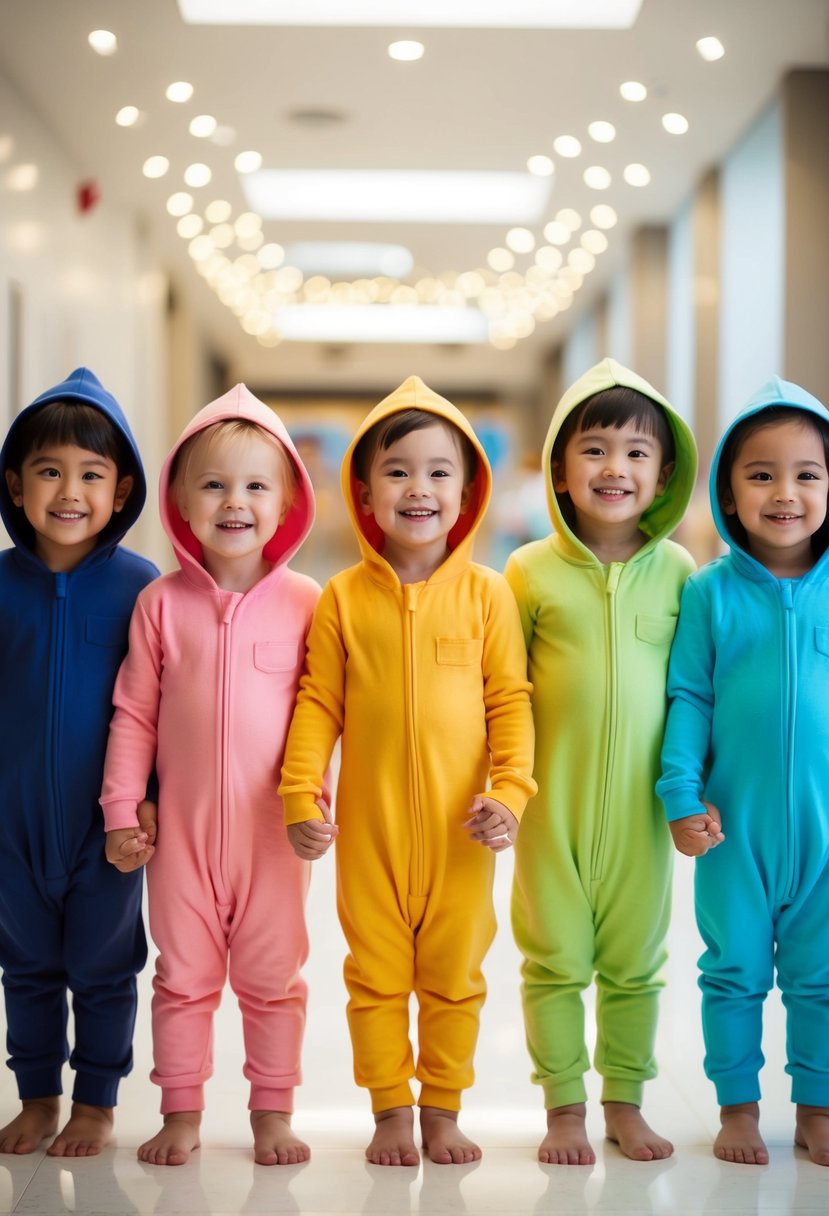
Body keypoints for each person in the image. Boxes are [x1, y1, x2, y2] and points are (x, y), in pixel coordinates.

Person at [279, 375, 535, 1167]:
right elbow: (319, 702)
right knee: (376, 975)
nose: (417, 488)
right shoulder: (342, 598)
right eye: (396, 472)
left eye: (437, 472)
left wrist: (510, 792)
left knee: (456, 977)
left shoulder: (488, 597)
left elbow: (510, 705)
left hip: (464, 836)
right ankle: (391, 1107)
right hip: (372, 833)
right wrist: (299, 792)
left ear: (466, 494)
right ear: (363, 492)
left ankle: (444, 1109)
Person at [100, 384, 321, 1167]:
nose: (236, 502)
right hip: (182, 838)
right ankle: (181, 1111)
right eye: (215, 484)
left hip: (272, 839)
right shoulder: (160, 605)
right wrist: (123, 806)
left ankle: (272, 1112)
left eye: (257, 485)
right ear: (181, 505)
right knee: (182, 977)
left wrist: (315, 801)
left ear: (288, 501)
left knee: (273, 980)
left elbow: (322, 717)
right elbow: (134, 714)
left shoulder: (306, 603)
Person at [505, 358, 697, 1165]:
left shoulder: (682, 574)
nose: (613, 468)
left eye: (634, 453)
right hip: (548, 808)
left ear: (661, 477)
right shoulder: (527, 572)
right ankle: (561, 1107)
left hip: (640, 815)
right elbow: (503, 693)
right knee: (552, 959)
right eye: (593, 449)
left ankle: (624, 1099)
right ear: (559, 466)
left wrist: (695, 790)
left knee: (633, 963)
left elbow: (693, 695)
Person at [658, 377, 829, 1168]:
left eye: (806, 474)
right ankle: (736, 1106)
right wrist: (680, 795)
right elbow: (689, 698)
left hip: (825, 831)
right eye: (760, 474)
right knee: (731, 973)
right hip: (733, 828)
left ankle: (817, 1108)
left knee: (820, 978)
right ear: (728, 489)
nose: (784, 492)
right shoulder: (707, 593)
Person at [0, 367, 158, 1157]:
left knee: (103, 966)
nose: (70, 491)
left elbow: (162, 710)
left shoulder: (143, 589)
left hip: (109, 828)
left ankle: (96, 1102)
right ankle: (36, 1095)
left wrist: (149, 803)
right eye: (49, 471)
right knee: (24, 965)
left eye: (91, 474)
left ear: (121, 488)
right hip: (11, 827)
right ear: (15, 485)